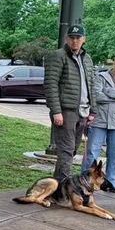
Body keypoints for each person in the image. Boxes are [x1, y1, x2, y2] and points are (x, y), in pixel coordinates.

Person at [43, 23, 98, 180]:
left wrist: (93, 110)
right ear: (66, 39)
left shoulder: (87, 59)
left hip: (83, 111)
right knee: (66, 150)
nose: (75, 41)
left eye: (78, 38)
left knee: (71, 150)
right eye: (72, 38)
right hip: (66, 111)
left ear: (83, 39)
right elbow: (50, 84)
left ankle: (57, 185)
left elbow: (91, 84)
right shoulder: (58, 56)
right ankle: (67, 188)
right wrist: (56, 111)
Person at [81, 53, 115, 194]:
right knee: (92, 152)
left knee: (114, 154)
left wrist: (108, 91)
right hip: (99, 120)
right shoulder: (101, 77)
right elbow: (96, 95)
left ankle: (111, 180)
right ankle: (85, 179)